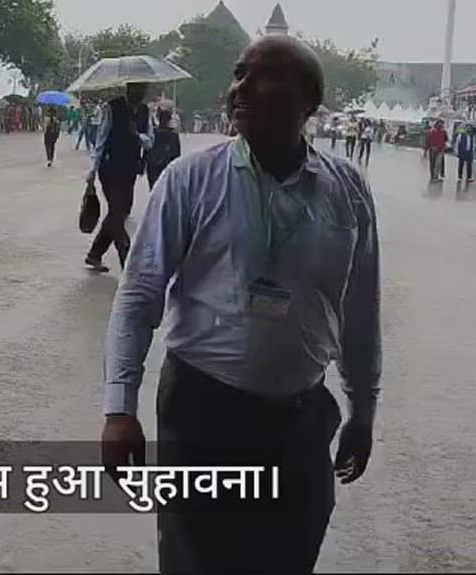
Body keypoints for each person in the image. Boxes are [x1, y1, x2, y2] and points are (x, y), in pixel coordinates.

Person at [101, 36, 380, 574]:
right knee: (197, 561)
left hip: (300, 421)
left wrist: (363, 410)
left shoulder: (347, 192)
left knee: (288, 557)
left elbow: (360, 310)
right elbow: (138, 297)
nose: (240, 89)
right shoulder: (191, 180)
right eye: (239, 74)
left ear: (308, 103)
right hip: (202, 413)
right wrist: (119, 409)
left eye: (263, 76)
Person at [84, 83, 153, 271]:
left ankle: (94, 254)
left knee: (120, 212)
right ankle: (128, 259)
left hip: (129, 168)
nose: (137, 94)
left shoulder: (146, 112)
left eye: (141, 91)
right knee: (116, 210)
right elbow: (101, 139)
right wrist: (92, 170)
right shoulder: (112, 108)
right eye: (134, 90)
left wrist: (138, 137)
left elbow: (150, 141)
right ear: (127, 90)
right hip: (109, 167)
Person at [146, 108, 181, 188]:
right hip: (162, 164)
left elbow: (148, 149)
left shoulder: (154, 133)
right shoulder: (173, 135)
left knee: (156, 188)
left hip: (155, 164)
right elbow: (177, 154)